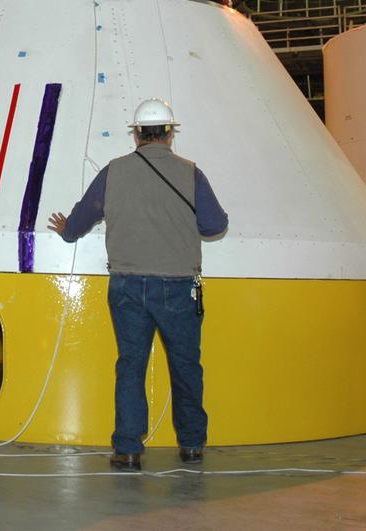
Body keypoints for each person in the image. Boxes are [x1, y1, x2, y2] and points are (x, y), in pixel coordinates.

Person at [48, 98, 227, 472]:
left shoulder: (113, 172)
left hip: (126, 286)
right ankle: (192, 444)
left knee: (131, 365)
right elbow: (214, 226)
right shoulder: (191, 173)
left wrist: (66, 229)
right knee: (186, 366)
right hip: (178, 287)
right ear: (170, 133)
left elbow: (79, 222)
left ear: (136, 133)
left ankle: (128, 449)